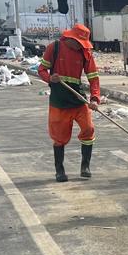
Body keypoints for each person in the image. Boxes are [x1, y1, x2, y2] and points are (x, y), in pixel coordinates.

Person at [37, 22, 100, 182]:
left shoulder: (86, 53)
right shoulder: (55, 48)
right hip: (59, 101)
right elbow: (41, 70)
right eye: (79, 43)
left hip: (78, 99)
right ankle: (60, 170)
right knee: (59, 137)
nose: (81, 46)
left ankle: (85, 166)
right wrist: (50, 78)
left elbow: (93, 77)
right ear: (71, 39)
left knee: (88, 129)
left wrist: (94, 98)